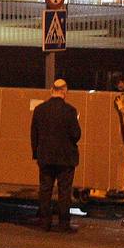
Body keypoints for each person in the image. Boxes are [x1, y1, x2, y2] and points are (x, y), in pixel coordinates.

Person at [30, 79, 81, 232]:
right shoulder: (71, 111)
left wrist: (36, 154)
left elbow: (34, 134)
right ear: (65, 91)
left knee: (45, 189)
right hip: (65, 158)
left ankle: (45, 222)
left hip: (45, 156)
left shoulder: (39, 109)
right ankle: (63, 224)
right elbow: (76, 135)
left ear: (52, 90)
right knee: (64, 191)